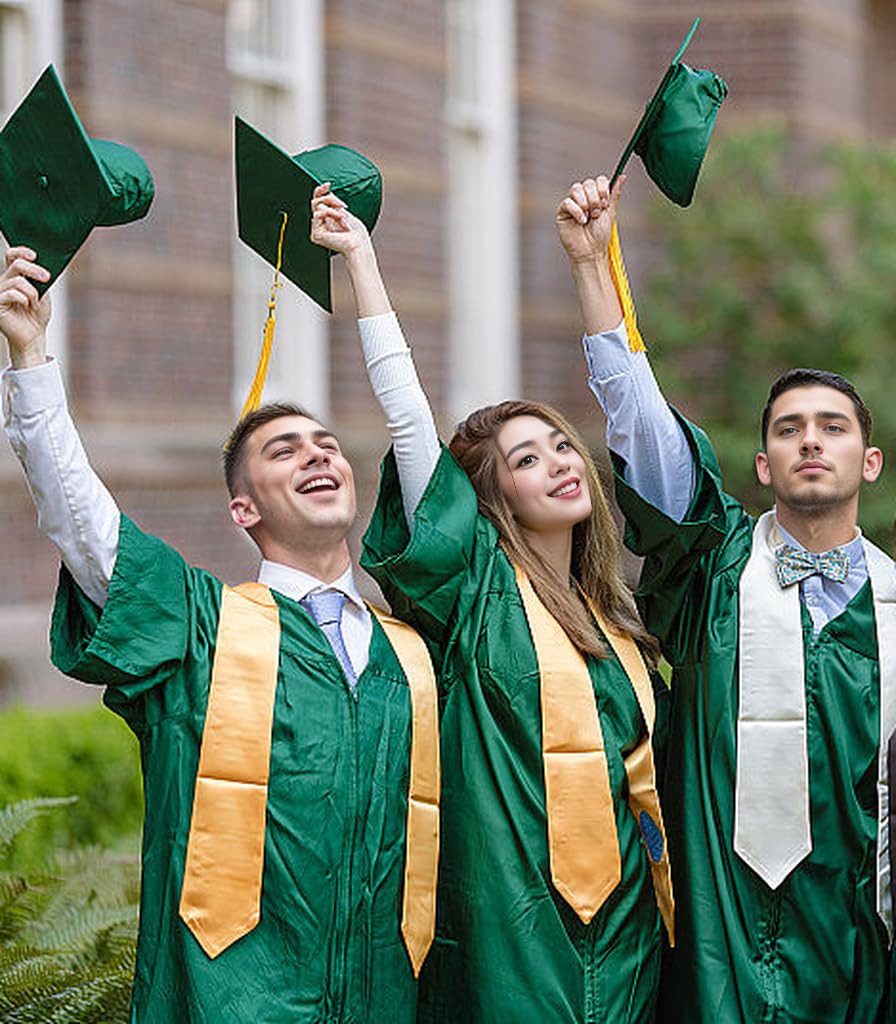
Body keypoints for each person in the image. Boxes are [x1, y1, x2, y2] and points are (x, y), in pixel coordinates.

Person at [0, 243, 439, 1023]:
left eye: (327, 446)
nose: (317, 455)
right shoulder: (205, 628)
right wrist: (31, 357)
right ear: (244, 509)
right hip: (228, 1002)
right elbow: (85, 528)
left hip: (386, 1000)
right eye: (284, 451)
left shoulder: (413, 656)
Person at [308, 183, 675, 1023]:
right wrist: (362, 262)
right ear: (490, 499)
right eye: (525, 460)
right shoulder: (474, 592)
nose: (558, 462)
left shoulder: (618, 624)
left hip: (630, 930)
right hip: (514, 928)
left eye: (560, 445)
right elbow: (411, 427)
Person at [559, 173, 894, 1022]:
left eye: (833, 428)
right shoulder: (714, 567)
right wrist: (593, 268)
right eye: (789, 429)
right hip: (721, 939)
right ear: (762, 465)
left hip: (863, 946)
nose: (810, 441)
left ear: (869, 462)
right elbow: (644, 429)